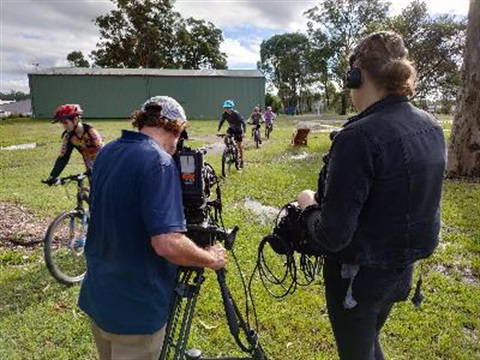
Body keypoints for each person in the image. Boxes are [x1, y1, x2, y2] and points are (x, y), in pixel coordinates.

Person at [296, 31, 446, 360]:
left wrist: (308, 207)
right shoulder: (431, 125)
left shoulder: (358, 138)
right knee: (366, 343)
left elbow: (333, 235)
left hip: (357, 277)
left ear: (355, 75)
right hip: (400, 272)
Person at [78, 96, 227, 360]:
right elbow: (167, 243)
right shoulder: (159, 161)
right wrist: (210, 258)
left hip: (100, 297)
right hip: (135, 311)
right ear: (176, 128)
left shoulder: (107, 152)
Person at [45, 104, 103, 183]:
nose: (64, 126)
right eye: (62, 123)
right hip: (90, 169)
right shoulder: (69, 137)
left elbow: (103, 152)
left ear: (75, 119)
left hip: (105, 166)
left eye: (65, 123)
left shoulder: (91, 132)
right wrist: (53, 176)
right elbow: (63, 157)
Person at [217, 99, 246, 167]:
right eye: (225, 108)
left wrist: (244, 132)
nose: (226, 109)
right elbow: (221, 122)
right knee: (226, 138)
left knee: (239, 145)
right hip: (231, 128)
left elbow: (243, 123)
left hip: (238, 129)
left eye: (228, 108)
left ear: (231, 108)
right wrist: (218, 130)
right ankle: (229, 150)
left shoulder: (236, 113)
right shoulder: (224, 114)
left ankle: (241, 159)